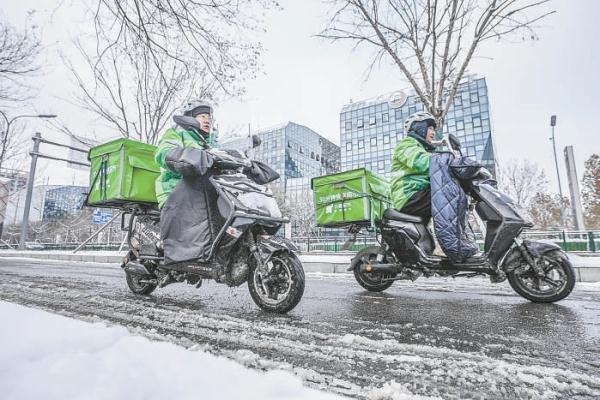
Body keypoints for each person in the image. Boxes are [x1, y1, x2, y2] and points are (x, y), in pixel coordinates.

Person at [154, 100, 216, 209]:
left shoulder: (212, 144)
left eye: (209, 118)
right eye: (202, 116)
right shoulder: (176, 133)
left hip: (204, 196)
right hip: (176, 193)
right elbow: (164, 152)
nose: (207, 121)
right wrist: (185, 156)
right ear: (190, 117)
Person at [390, 111, 437, 223]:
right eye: (430, 128)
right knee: (446, 195)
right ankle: (450, 240)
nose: (433, 132)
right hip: (408, 196)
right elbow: (422, 162)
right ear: (419, 127)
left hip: (419, 194)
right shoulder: (406, 145)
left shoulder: (421, 148)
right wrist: (447, 161)